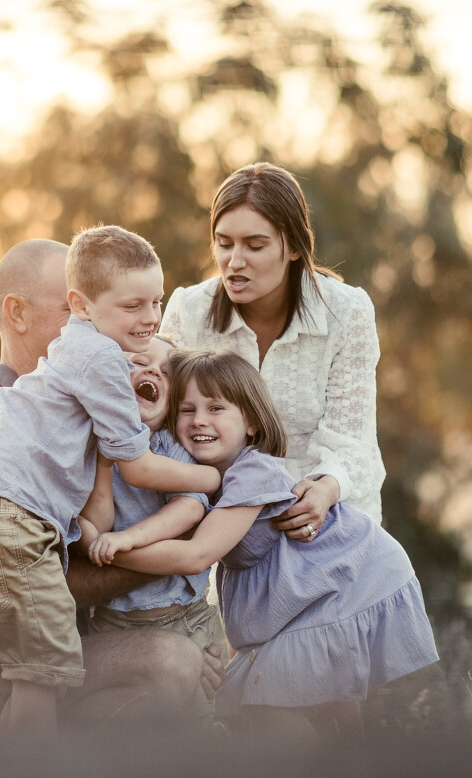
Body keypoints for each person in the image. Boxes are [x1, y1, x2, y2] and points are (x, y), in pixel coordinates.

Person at [0, 228, 221, 734]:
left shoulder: (68, 401)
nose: (147, 320)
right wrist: (194, 533)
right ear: (20, 313)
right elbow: (53, 573)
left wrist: (183, 627)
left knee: (174, 675)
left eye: (155, 304)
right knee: (60, 679)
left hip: (13, 636)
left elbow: (90, 527)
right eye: (70, 309)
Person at [99, 350, 438, 733]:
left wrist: (114, 549)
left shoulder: (255, 470)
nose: (199, 420)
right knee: (314, 709)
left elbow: (197, 554)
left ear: (253, 424)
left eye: (216, 408)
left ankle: (341, 754)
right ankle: (348, 754)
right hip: (300, 591)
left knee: (269, 709)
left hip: (339, 578)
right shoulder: (195, 471)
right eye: (186, 410)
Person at [159, 162, 386, 537]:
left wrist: (325, 490)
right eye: (224, 243)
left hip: (326, 517)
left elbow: (353, 441)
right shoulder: (189, 309)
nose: (234, 261)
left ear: (295, 246)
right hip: (215, 521)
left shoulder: (347, 312)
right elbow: (163, 425)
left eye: (255, 245)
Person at [78, 336, 220, 657]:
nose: (154, 371)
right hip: (112, 618)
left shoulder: (169, 445)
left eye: (167, 373)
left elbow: (189, 509)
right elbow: (98, 525)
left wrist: (129, 539)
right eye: (139, 363)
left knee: (192, 686)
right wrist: (104, 464)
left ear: (173, 405)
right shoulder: (89, 446)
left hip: (182, 614)